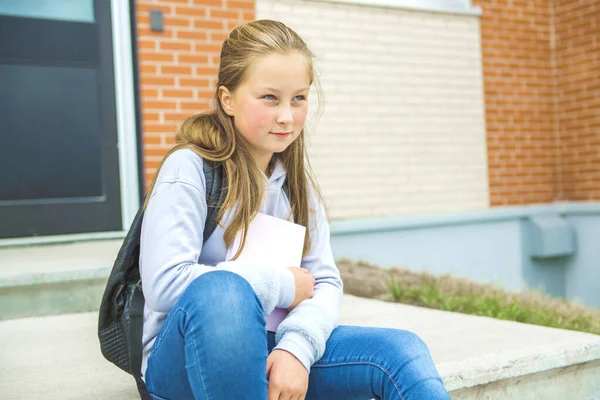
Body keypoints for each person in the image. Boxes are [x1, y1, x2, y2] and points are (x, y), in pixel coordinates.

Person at [139, 19, 450, 400]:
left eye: (298, 98)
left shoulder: (296, 184)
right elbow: (165, 284)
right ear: (227, 99)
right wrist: (283, 284)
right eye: (269, 98)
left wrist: (296, 350)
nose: (287, 116)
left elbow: (325, 283)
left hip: (273, 344)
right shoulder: (189, 169)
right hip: (186, 360)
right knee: (224, 293)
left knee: (402, 352)